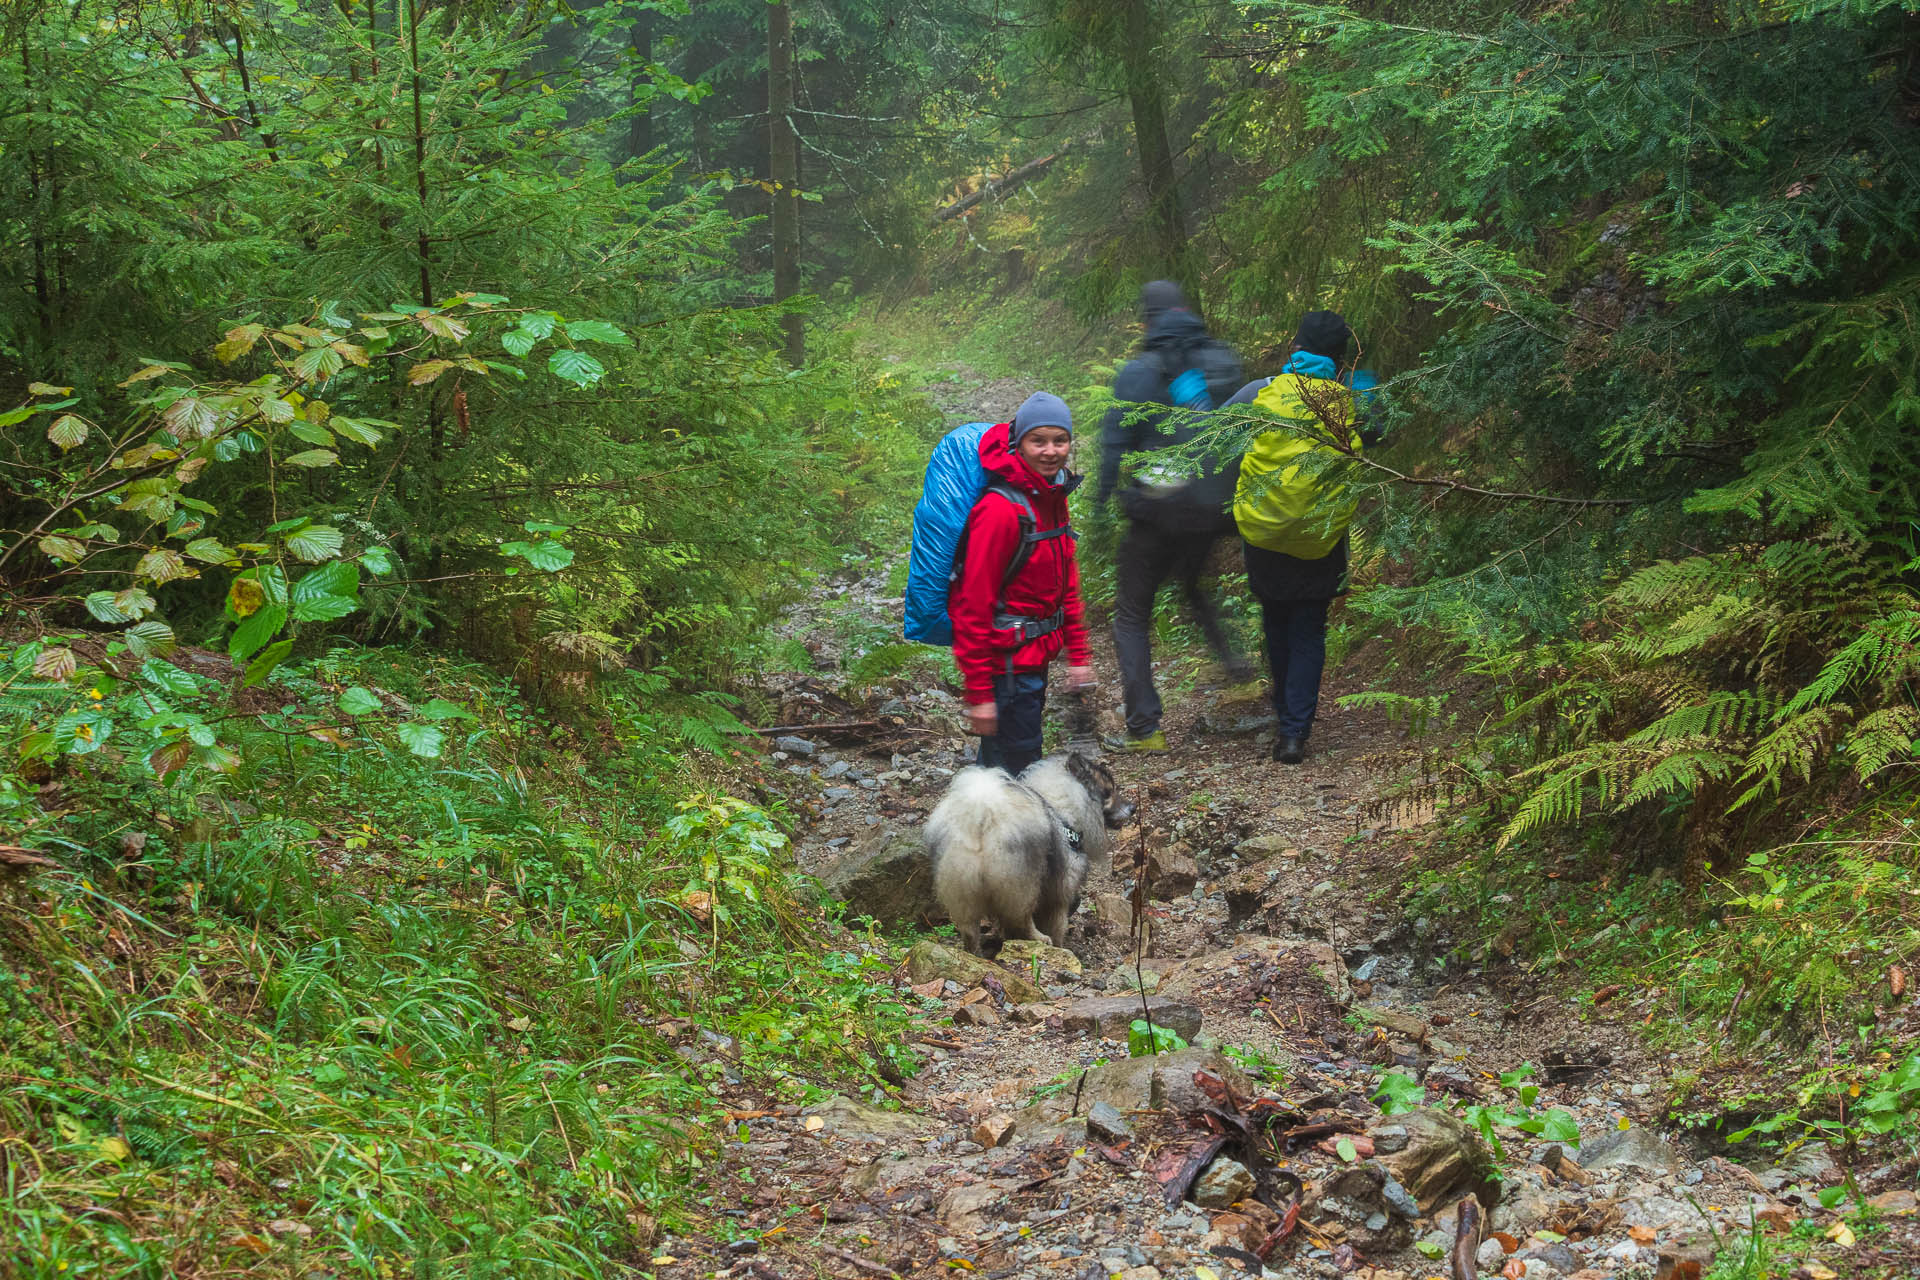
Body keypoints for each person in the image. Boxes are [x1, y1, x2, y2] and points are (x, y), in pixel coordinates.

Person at [1097, 280, 1252, 753]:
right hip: (1213, 512)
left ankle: (1145, 728)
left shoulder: (1139, 371)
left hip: (1157, 512)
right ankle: (1239, 668)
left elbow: (1114, 446)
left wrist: (1101, 504)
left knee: (1130, 615)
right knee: (1192, 584)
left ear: (1148, 320)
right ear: (1186, 310)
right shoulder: (1224, 359)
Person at [1228, 310, 1373, 765]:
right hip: (1320, 537)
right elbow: (1380, 434)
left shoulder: (1262, 392)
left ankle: (1282, 712)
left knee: (1276, 620)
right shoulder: (1349, 400)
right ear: (1341, 359)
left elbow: (1217, 429)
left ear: (1296, 347)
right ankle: (1294, 733)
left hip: (1265, 532)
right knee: (1310, 629)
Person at [952, 392, 1096, 776]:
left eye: (1059, 440)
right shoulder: (1000, 511)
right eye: (1039, 441)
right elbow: (973, 605)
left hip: (1032, 660)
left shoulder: (1050, 496)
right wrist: (980, 695)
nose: (1051, 451)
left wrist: (1079, 656)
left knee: (1011, 768)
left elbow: (1066, 585)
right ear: (1019, 443)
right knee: (1012, 772)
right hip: (1007, 669)